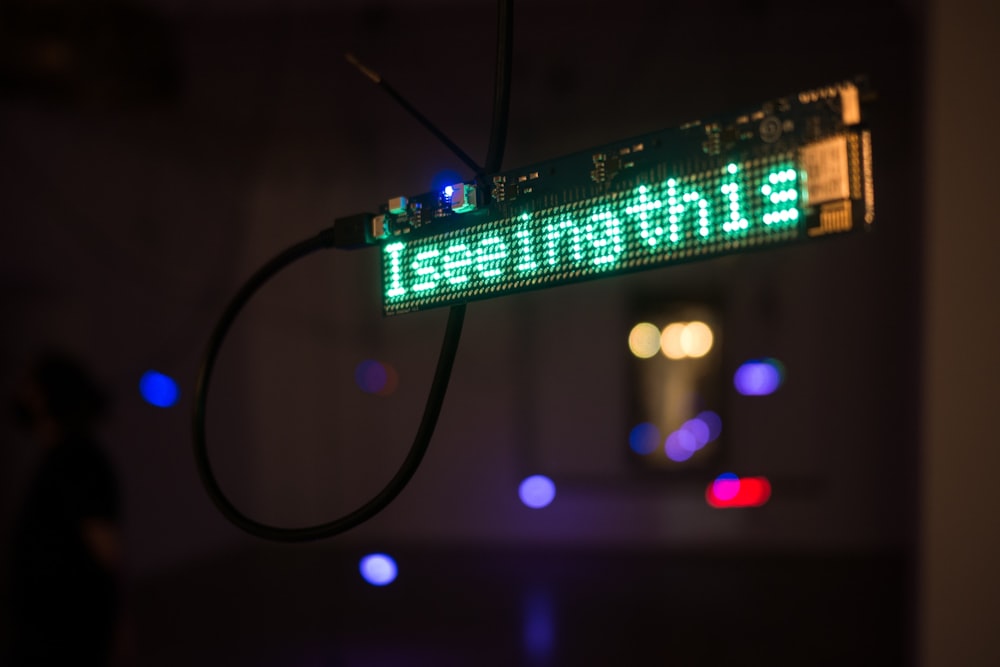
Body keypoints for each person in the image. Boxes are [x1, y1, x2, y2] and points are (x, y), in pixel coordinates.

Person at [8, 352, 121, 666]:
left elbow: (107, 551)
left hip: (68, 634)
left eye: (29, 387)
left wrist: (120, 633)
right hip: (49, 632)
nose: (21, 394)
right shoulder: (60, 458)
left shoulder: (78, 458)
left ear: (46, 397)